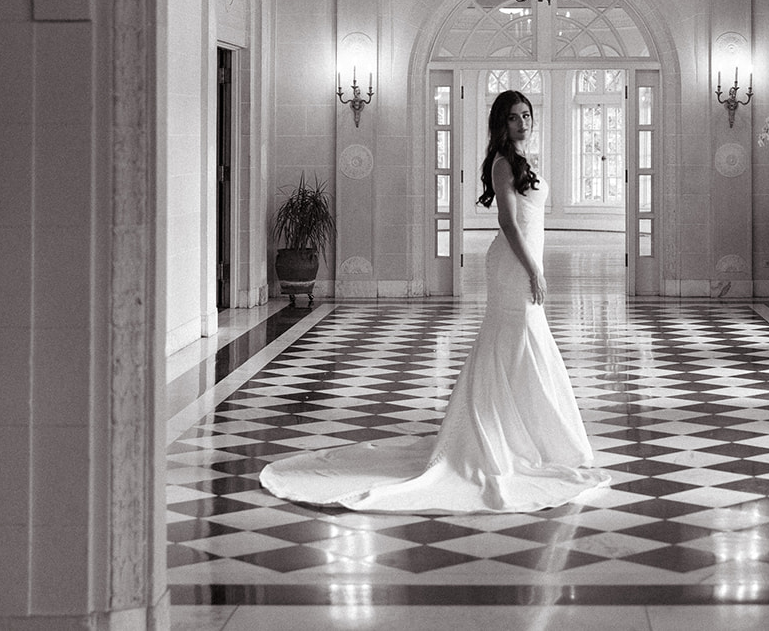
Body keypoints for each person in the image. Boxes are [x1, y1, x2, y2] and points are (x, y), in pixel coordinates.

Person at [259, 89, 611, 513]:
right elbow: (507, 220)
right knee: (516, 342)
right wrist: (533, 268)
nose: (523, 123)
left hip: (525, 260)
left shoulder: (523, 162)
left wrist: (535, 264)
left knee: (524, 345)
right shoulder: (502, 164)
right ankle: (497, 437)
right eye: (515, 117)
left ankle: (532, 437)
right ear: (502, 123)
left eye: (527, 116)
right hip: (513, 264)